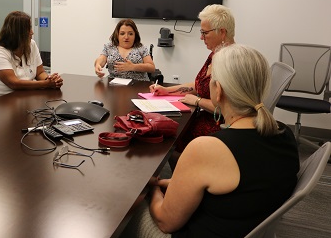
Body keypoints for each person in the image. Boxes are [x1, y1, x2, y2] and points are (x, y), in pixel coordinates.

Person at [124, 44, 300, 238]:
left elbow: (166, 222)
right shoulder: (284, 134)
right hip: (246, 226)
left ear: (219, 91)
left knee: (126, 209)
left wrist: (152, 188)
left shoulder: (208, 149)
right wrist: (167, 182)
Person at [149, 4, 235, 166]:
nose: (201, 37)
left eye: (205, 33)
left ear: (222, 32)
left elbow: (224, 109)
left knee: (169, 139)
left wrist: (196, 101)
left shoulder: (228, 62)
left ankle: (180, 180)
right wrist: (167, 90)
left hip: (218, 126)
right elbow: (199, 84)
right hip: (205, 117)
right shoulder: (215, 54)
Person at [0, 11, 63, 98]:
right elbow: (14, 83)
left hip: (25, 96)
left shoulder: (31, 44)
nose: (32, 32)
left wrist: (51, 80)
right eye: (29, 29)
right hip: (1, 101)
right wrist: (46, 84)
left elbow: (40, 73)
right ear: (17, 33)